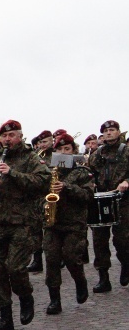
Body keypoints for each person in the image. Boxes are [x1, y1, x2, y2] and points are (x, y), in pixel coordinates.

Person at [0, 120, 50, 330]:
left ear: (20, 136)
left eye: (12, 135)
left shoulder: (31, 158)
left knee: (16, 268)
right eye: (4, 136)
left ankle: (26, 297)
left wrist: (13, 174)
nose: (7, 140)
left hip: (22, 221)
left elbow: (43, 181)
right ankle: (4, 317)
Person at [42, 133, 93, 314]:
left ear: (73, 151)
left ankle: (80, 281)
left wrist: (67, 187)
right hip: (53, 223)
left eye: (67, 149)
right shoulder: (48, 172)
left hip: (74, 223)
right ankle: (55, 299)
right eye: (59, 149)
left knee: (72, 258)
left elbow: (88, 195)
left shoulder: (81, 172)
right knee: (52, 260)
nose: (63, 152)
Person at [87, 120, 129, 292]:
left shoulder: (127, 151)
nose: (109, 133)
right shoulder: (98, 153)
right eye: (106, 131)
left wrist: (127, 182)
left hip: (123, 200)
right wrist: (91, 185)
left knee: (123, 240)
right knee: (99, 241)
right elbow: (88, 173)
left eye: (112, 130)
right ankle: (103, 278)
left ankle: (126, 265)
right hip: (101, 200)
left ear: (118, 132)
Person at [27, 129, 55, 273]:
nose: (42, 145)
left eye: (45, 142)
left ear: (52, 141)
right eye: (40, 142)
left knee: (52, 229)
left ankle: (57, 258)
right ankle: (37, 260)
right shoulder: (35, 156)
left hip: (52, 196)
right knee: (35, 230)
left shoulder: (58, 155)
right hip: (37, 198)